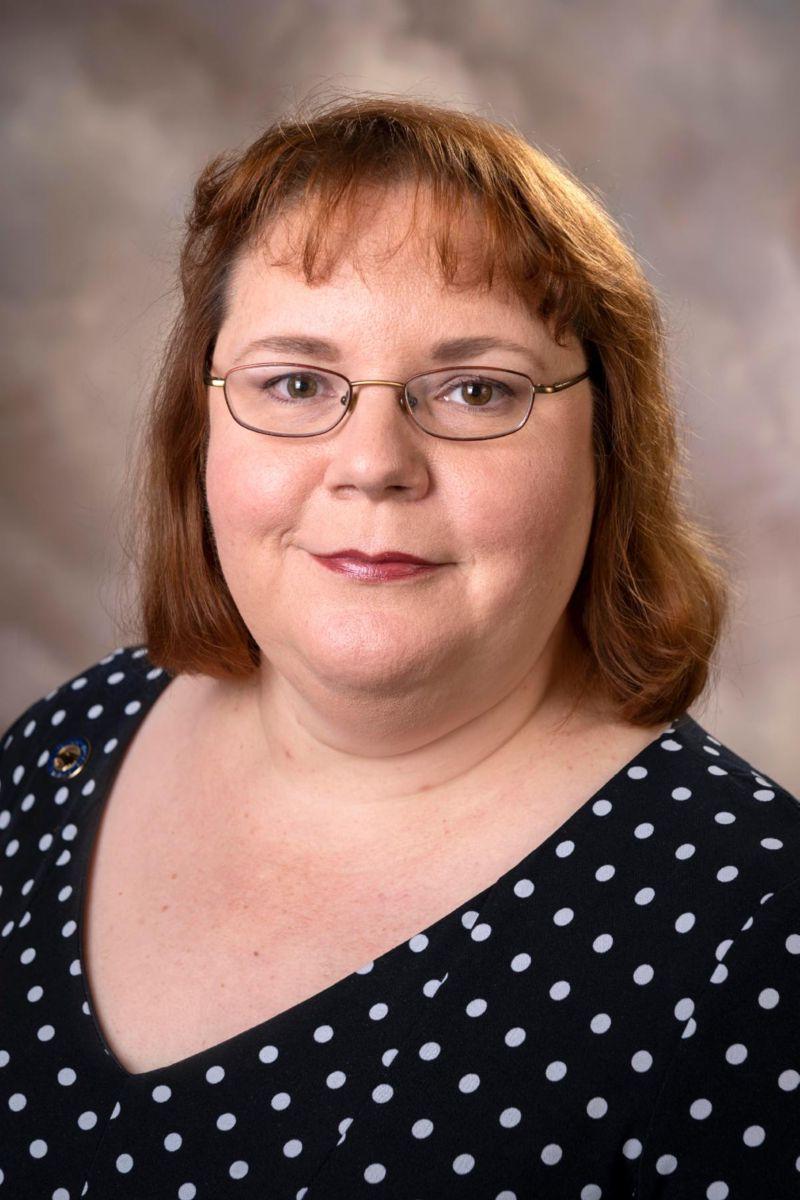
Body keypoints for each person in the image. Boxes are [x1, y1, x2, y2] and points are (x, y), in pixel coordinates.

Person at [1, 93, 798, 1200]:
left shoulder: (753, 932)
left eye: (474, 389)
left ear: (607, 448)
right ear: (202, 429)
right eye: (294, 382)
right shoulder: (72, 744)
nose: (372, 460)